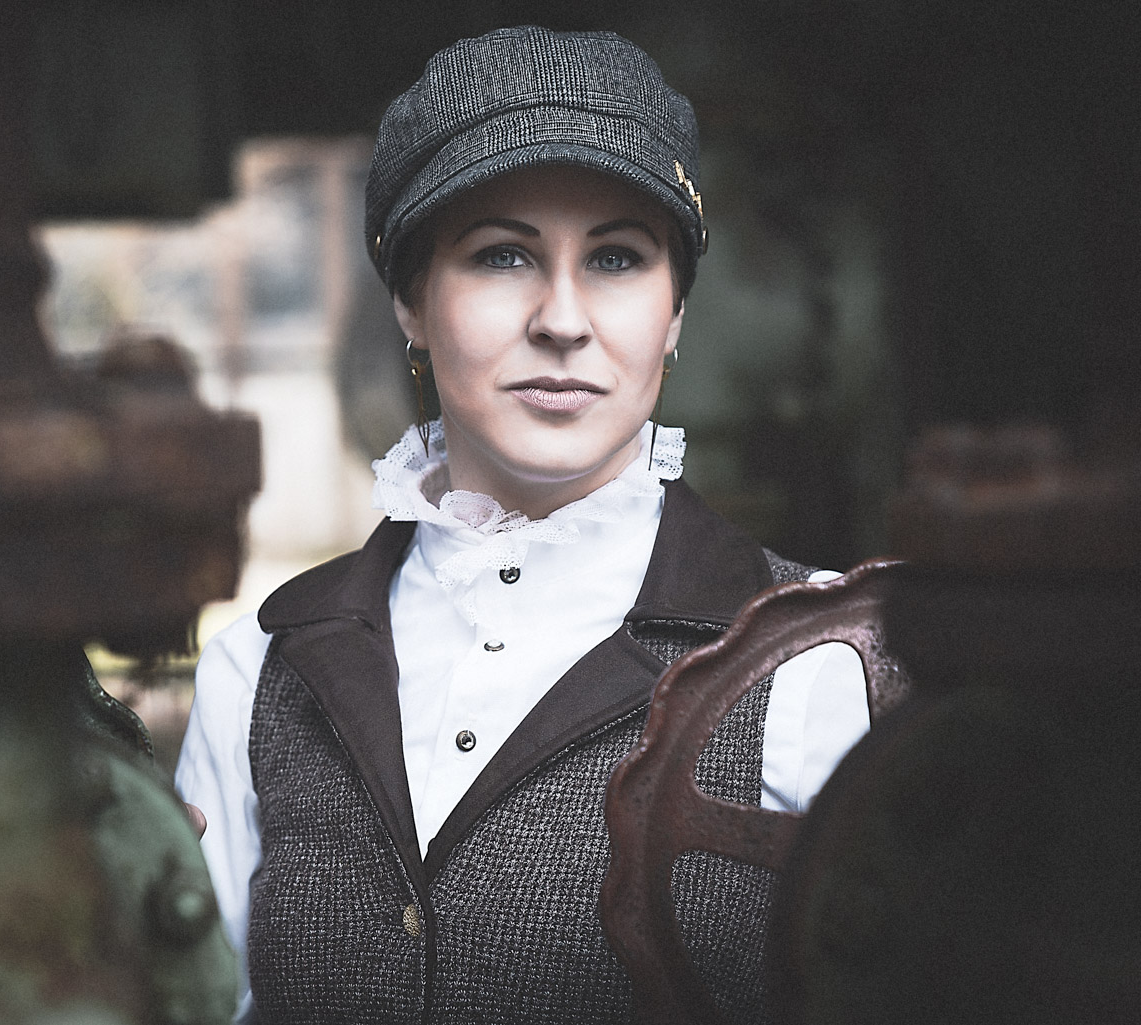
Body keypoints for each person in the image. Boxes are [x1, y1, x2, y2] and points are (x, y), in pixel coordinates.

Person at [175, 25, 868, 1024]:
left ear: (675, 314)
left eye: (618, 258)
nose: (562, 318)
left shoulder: (812, 663)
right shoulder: (261, 671)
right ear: (411, 302)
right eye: (502, 255)